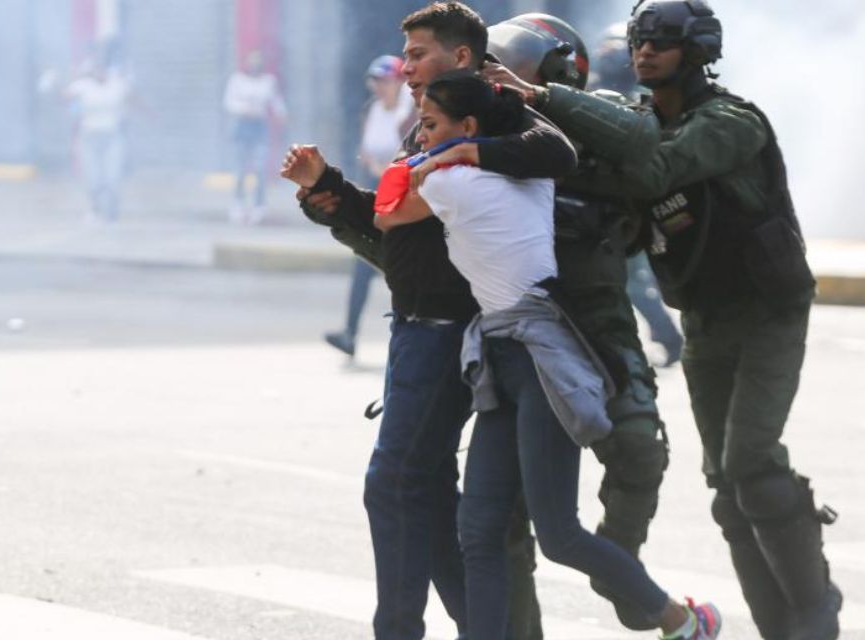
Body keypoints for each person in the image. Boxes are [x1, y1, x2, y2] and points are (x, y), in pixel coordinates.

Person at [527, 2, 841, 638]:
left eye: (663, 40)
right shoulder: (640, 122)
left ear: (697, 50)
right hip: (705, 315)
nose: (645, 51)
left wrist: (552, 100)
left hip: (767, 311)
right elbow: (613, 176)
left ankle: (815, 611)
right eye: (641, 39)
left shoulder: (731, 121)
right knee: (727, 486)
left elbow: (655, 168)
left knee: (753, 464)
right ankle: (780, 625)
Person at [374, 69, 721, 640]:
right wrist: (469, 139)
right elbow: (551, 148)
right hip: (503, 355)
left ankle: (681, 621)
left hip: (537, 362)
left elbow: (387, 211)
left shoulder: (450, 186)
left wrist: (443, 157)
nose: (419, 135)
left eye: (429, 124)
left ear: (468, 126)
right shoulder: (530, 174)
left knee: (557, 533)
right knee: (479, 530)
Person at [280, 4, 576, 639]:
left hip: (448, 332)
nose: (406, 67)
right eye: (406, 56)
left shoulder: (486, 110)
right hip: (413, 328)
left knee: (392, 484)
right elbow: (390, 223)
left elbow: (554, 149)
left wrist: (465, 147)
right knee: (429, 493)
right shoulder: (426, 127)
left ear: (462, 57)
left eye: (418, 54)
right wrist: (325, 189)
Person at [481, 13, 672, 631]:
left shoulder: (599, 119)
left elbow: (643, 144)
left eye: (516, 68)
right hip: (521, 333)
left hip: (600, 324)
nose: (501, 78)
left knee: (640, 450)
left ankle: (619, 569)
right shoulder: (483, 134)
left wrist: (542, 99)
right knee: (504, 514)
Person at [593, 21, 684, 366]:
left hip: (627, 209)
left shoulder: (646, 105)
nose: (608, 55)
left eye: (616, 49)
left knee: (632, 282)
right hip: (604, 208)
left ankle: (667, 340)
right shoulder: (588, 94)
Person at [324, 55, 415, 357]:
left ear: (400, 82)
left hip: (403, 200)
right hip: (375, 196)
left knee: (402, 267)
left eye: (385, 81)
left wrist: (385, 169)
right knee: (363, 263)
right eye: (375, 82)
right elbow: (365, 150)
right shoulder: (373, 110)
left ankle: (409, 333)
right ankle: (349, 333)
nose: (379, 88)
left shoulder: (411, 113)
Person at [223, 49, 287, 224]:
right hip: (242, 127)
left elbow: (276, 102)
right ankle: (238, 204)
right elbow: (229, 102)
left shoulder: (268, 82)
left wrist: (283, 116)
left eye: (258, 60)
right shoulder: (237, 80)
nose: (255, 64)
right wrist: (246, 109)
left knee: (259, 168)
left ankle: (259, 206)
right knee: (241, 167)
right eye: (252, 60)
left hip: (259, 127)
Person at [65, 56, 132, 222]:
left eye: (102, 68)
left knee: (112, 176)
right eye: (95, 69)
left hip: (112, 137)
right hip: (89, 137)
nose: (99, 72)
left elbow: (133, 99)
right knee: (92, 176)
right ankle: (95, 208)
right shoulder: (82, 86)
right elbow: (64, 98)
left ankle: (112, 208)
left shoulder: (117, 85)